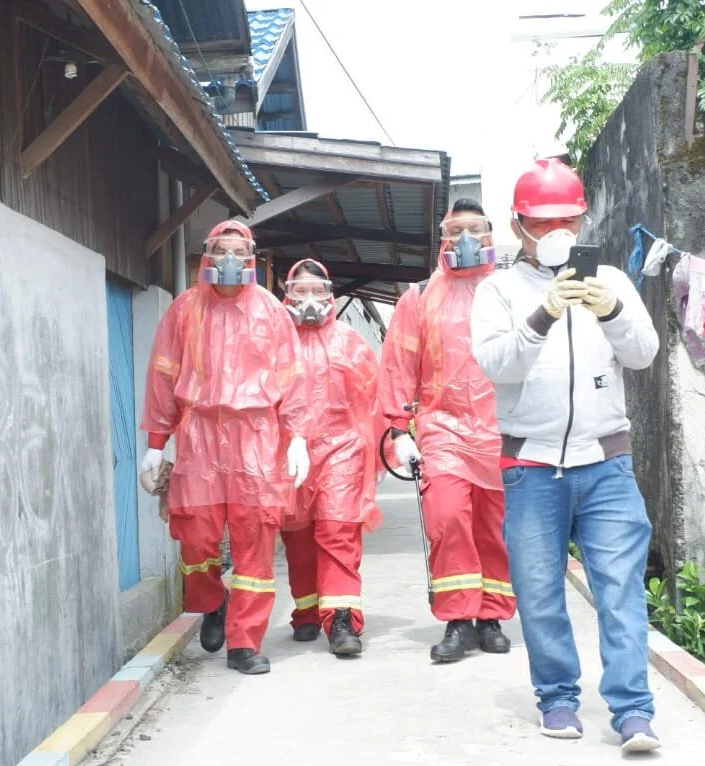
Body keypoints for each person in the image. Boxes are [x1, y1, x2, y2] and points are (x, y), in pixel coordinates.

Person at [470, 158, 662, 750]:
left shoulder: (613, 281)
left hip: (606, 462)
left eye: (567, 221)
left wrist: (611, 311)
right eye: (541, 223)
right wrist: (545, 313)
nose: (556, 233)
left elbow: (644, 353)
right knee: (539, 592)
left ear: (582, 220)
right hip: (531, 466)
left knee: (620, 589)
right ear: (517, 225)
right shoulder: (498, 290)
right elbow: (498, 365)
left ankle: (633, 711)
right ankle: (557, 699)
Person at [139, 220, 310, 676]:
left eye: (239, 251)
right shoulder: (185, 310)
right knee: (196, 537)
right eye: (222, 250)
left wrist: (297, 437)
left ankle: (244, 642)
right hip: (199, 436)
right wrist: (156, 443)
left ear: (251, 258)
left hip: (257, 436)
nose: (230, 260)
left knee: (255, 542)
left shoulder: (271, 311)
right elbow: (163, 376)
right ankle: (212, 601)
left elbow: (292, 376)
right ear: (208, 255)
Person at [379, 199, 517, 663]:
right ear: (444, 238)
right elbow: (399, 364)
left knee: (494, 529)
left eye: (475, 228)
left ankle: (491, 617)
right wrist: (398, 430)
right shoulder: (419, 297)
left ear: (490, 234)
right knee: (448, 517)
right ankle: (458, 619)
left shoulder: (508, 290)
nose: (466, 238)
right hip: (442, 430)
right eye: (456, 230)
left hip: (501, 429)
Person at [278, 259, 384, 657]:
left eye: (317, 290)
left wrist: (382, 452)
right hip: (290, 451)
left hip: (342, 450)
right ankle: (307, 611)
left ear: (330, 295)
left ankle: (342, 620)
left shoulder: (350, 341)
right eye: (300, 290)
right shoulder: (274, 342)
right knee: (298, 537)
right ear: (287, 295)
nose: (309, 299)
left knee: (338, 531)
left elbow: (374, 397)